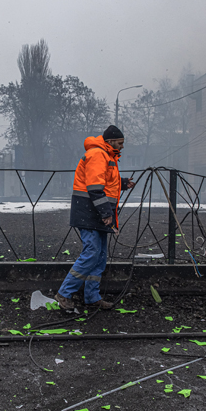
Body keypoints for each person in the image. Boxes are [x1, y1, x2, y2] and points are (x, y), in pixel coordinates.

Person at [55, 125, 135, 311]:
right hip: (89, 213)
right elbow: (94, 188)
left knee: (99, 256)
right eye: (120, 143)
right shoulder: (98, 155)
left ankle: (92, 297)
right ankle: (64, 293)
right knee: (92, 253)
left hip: (93, 212)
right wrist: (106, 214)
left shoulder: (107, 156)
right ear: (110, 142)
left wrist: (123, 184)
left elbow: (104, 182)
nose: (122, 147)